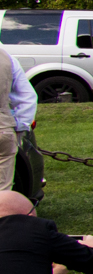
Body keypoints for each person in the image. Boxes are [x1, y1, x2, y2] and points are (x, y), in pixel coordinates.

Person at [0, 37, 35, 193]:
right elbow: (26, 97)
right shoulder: (6, 57)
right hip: (3, 129)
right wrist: (19, 129)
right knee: (2, 192)